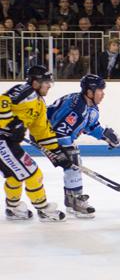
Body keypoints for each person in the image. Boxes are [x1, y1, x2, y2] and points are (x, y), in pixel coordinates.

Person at [1, 66, 70, 222]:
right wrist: (10, 123)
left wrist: (57, 151)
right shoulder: (25, 92)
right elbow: (2, 101)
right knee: (33, 173)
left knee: (15, 175)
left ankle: (13, 207)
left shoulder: (39, 103)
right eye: (46, 82)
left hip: (7, 142)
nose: (49, 86)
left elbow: (41, 132)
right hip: (2, 140)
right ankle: (43, 209)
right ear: (35, 82)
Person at [46, 74, 120, 217]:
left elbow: (90, 126)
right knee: (73, 161)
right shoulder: (76, 107)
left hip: (57, 135)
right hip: (45, 136)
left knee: (73, 161)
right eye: (100, 90)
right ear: (89, 92)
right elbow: (59, 131)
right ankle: (75, 201)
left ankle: (71, 201)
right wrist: (68, 152)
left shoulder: (91, 107)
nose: (103, 94)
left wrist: (105, 135)